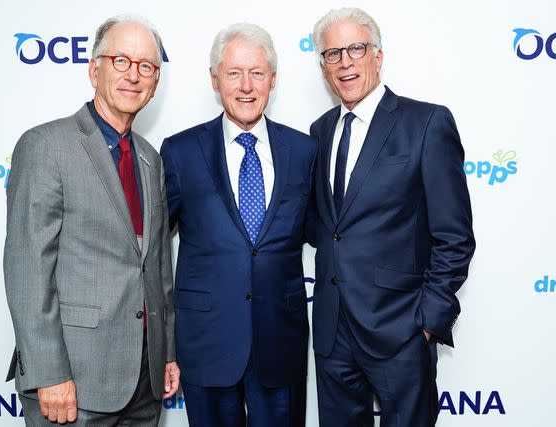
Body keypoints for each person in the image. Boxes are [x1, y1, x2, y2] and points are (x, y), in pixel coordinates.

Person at [3, 14, 179, 426]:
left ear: (155, 83)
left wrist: (166, 351)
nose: (133, 75)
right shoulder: (46, 145)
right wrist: (50, 373)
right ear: (92, 69)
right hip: (73, 383)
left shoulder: (150, 158)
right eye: (120, 60)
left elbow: (156, 269)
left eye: (146, 67)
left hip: (143, 382)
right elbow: (28, 269)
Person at [308, 7, 476, 426]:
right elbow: (327, 228)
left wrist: (427, 321)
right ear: (323, 67)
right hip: (332, 332)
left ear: (377, 56)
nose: (345, 62)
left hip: (400, 330)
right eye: (332, 54)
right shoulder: (319, 131)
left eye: (356, 49)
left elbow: (454, 236)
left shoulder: (426, 122)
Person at [160, 23, 317, 427]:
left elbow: (326, 234)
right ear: (215, 80)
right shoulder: (179, 152)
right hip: (206, 344)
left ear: (273, 80)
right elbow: (152, 251)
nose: (246, 86)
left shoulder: (304, 150)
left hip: (280, 344)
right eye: (233, 73)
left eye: (257, 73)